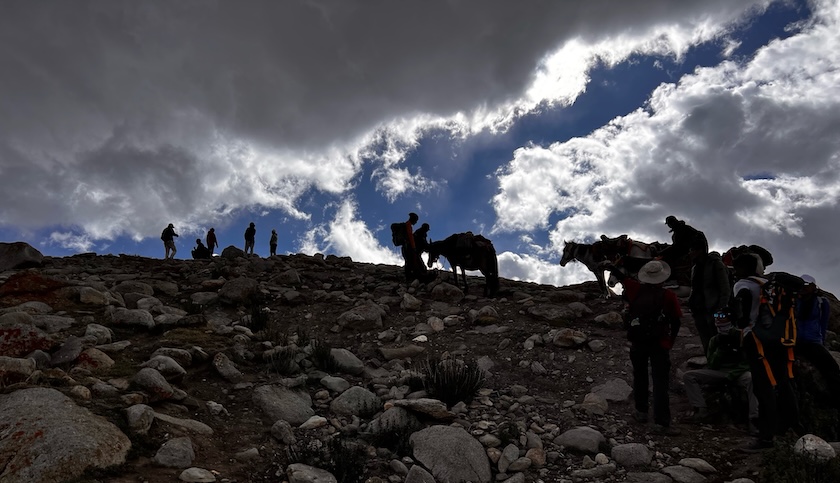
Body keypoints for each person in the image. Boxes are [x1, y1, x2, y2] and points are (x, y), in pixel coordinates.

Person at [732, 254, 801, 451]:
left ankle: (765, 438)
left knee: (763, 388)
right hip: (777, 338)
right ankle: (791, 427)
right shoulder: (769, 283)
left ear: (745, 268)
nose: (735, 271)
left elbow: (743, 310)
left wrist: (742, 322)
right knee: (783, 381)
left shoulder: (743, 284)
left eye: (738, 267)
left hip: (756, 340)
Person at [608, 260, 682, 435]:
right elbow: (676, 320)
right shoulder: (668, 295)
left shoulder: (635, 289)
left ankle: (641, 412)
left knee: (640, 376)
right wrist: (671, 340)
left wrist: (609, 265)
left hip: (638, 341)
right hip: (659, 342)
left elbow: (622, 277)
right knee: (660, 382)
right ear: (662, 278)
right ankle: (661, 422)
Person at [683, 311, 758, 433]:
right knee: (689, 376)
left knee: (752, 379)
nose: (720, 327)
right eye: (718, 325)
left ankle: (754, 419)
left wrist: (733, 374)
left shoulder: (742, 337)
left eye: (723, 325)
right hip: (720, 372)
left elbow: (748, 362)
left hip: (739, 373)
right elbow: (711, 364)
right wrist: (719, 352)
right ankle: (701, 410)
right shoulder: (715, 340)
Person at [795, 274, 840, 404]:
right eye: (802, 284)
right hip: (795, 340)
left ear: (813, 286)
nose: (804, 287)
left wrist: (821, 340)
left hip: (812, 341)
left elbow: (824, 323)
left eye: (807, 285)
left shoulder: (822, 302)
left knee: (832, 368)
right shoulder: (794, 298)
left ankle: (835, 400)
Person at [688, 238, 732, 353]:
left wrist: (720, 309)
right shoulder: (695, 267)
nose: (690, 253)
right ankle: (710, 360)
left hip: (713, 308)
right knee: (705, 338)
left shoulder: (716, 264)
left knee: (718, 337)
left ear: (700, 250)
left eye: (692, 250)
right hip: (698, 308)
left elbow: (725, 288)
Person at [401, 213, 420, 282]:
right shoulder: (408, 225)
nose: (416, 222)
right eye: (416, 220)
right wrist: (414, 247)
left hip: (405, 246)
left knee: (408, 261)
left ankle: (408, 277)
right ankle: (408, 278)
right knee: (409, 262)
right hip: (408, 247)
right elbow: (410, 237)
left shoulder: (406, 225)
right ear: (413, 219)